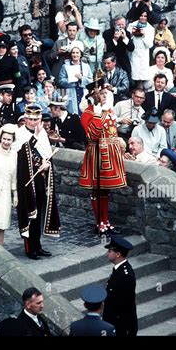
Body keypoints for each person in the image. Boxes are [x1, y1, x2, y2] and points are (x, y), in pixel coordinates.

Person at [79, 80, 127, 235]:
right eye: (101, 93)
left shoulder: (110, 110)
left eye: (106, 93)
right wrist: (98, 116)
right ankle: (99, 222)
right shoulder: (88, 114)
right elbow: (93, 135)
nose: (105, 96)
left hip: (110, 151)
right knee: (97, 190)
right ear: (93, 95)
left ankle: (106, 221)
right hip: (97, 153)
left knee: (106, 191)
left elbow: (113, 132)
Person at [14, 105, 60, 260]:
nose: (33, 122)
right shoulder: (19, 133)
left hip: (41, 178)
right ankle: (30, 248)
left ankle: (38, 245)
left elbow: (47, 153)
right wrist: (36, 136)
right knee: (30, 213)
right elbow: (21, 154)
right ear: (25, 119)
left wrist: (47, 164)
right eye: (30, 119)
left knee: (39, 212)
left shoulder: (43, 134)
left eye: (36, 119)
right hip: (27, 180)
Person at [103, 235, 138, 337]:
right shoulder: (119, 269)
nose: (107, 253)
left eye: (109, 251)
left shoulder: (126, 276)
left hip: (121, 326)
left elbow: (125, 306)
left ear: (118, 254)